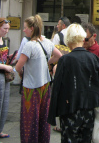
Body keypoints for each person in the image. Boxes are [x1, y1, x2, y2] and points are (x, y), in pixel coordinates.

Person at [48, 23, 99, 143]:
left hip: (69, 109)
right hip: (89, 109)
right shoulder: (93, 58)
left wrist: (53, 114)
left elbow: (57, 87)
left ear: (68, 40)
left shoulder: (65, 60)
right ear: (82, 38)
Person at [15, 15, 62, 143]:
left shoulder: (29, 45)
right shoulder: (47, 42)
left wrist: (20, 71)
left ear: (31, 28)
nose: (24, 30)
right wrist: (47, 62)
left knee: (30, 119)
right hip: (45, 86)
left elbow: (18, 66)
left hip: (31, 88)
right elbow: (59, 55)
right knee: (43, 117)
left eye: (25, 28)